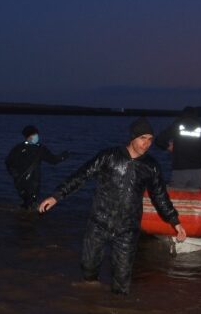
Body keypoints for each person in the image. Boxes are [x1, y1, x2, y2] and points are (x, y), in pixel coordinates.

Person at [38, 117, 187, 295]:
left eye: (150, 140)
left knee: (122, 278)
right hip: (99, 222)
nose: (146, 144)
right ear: (132, 137)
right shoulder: (109, 156)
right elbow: (81, 175)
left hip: (128, 228)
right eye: (142, 138)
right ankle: (90, 304)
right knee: (88, 267)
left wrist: (175, 221)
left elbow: (160, 196)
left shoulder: (151, 166)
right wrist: (56, 196)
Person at [5, 125, 69, 209]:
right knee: (29, 203)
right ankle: (26, 218)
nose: (36, 136)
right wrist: (15, 174)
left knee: (29, 203)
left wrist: (63, 156)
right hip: (23, 182)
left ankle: (24, 217)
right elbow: (8, 162)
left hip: (30, 182)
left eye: (36, 134)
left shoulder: (40, 149)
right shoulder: (19, 148)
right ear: (28, 137)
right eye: (34, 134)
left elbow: (53, 160)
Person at [155, 106, 201, 189]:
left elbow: (159, 140)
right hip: (197, 172)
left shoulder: (177, 125)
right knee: (194, 199)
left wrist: (168, 146)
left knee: (178, 199)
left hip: (179, 171)